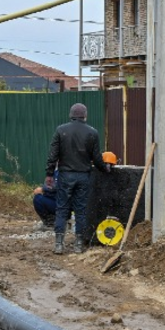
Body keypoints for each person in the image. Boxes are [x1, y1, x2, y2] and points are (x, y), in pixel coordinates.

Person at [45, 101, 111, 254]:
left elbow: (52, 155)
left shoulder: (61, 131)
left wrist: (49, 174)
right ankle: (78, 244)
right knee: (80, 210)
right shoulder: (92, 133)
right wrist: (105, 168)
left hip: (65, 175)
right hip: (83, 176)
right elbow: (96, 157)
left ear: (71, 115)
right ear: (85, 116)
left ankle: (59, 244)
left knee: (61, 208)